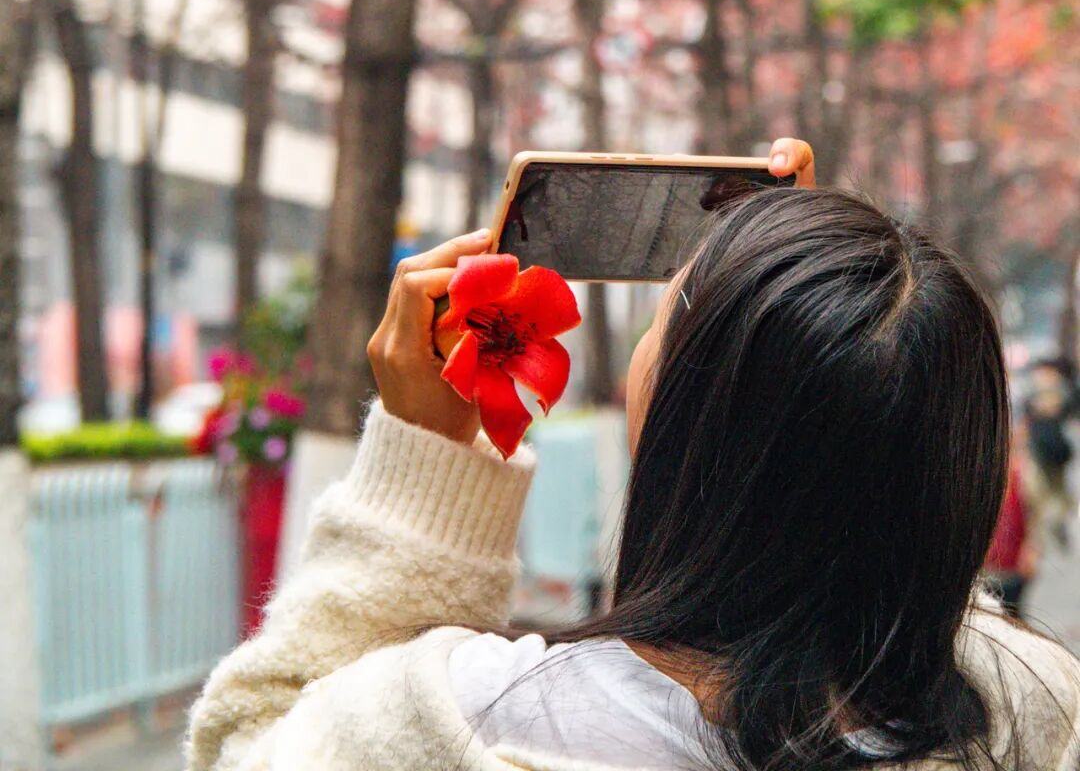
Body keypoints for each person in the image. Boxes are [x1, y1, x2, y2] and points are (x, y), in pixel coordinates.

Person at [186, 138, 1080, 771]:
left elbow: (246, 743)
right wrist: (838, 365)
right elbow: (905, 584)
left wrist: (420, 476)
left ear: (683, 418)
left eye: (663, 323)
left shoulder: (477, 718)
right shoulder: (1032, 708)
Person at [984, 426, 1039, 616]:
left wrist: (1031, 549)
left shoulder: (1025, 475)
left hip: (1014, 562)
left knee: (1012, 610)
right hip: (987, 564)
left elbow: (1035, 516)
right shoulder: (985, 475)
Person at [1024, 359, 1075, 551]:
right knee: (1037, 494)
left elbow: (1067, 411)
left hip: (1057, 453)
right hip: (1039, 453)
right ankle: (1040, 535)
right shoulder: (1031, 395)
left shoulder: (1063, 392)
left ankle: (1057, 524)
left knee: (1059, 492)